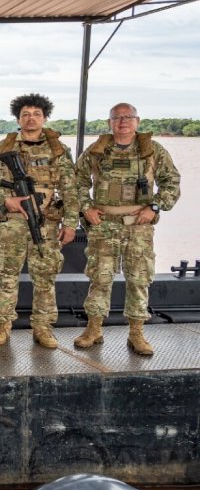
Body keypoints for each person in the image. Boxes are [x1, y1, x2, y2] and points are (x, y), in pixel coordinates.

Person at [73, 103, 180, 356]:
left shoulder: (153, 150)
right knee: (99, 279)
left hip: (138, 226)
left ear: (137, 121)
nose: (123, 122)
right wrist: (86, 206)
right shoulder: (98, 150)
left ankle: (136, 333)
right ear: (110, 122)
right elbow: (75, 180)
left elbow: (171, 182)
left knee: (139, 279)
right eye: (117, 118)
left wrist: (154, 207)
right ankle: (94, 329)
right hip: (104, 225)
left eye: (128, 117)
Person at [0, 94, 78, 349]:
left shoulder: (57, 149)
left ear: (45, 117)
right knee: (6, 276)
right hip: (12, 224)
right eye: (26, 114)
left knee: (45, 277)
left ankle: (43, 328)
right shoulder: (2, 148)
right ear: (18, 118)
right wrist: (7, 200)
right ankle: (2, 326)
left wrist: (70, 223)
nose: (31, 118)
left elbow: (70, 189)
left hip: (46, 224)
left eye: (36, 114)